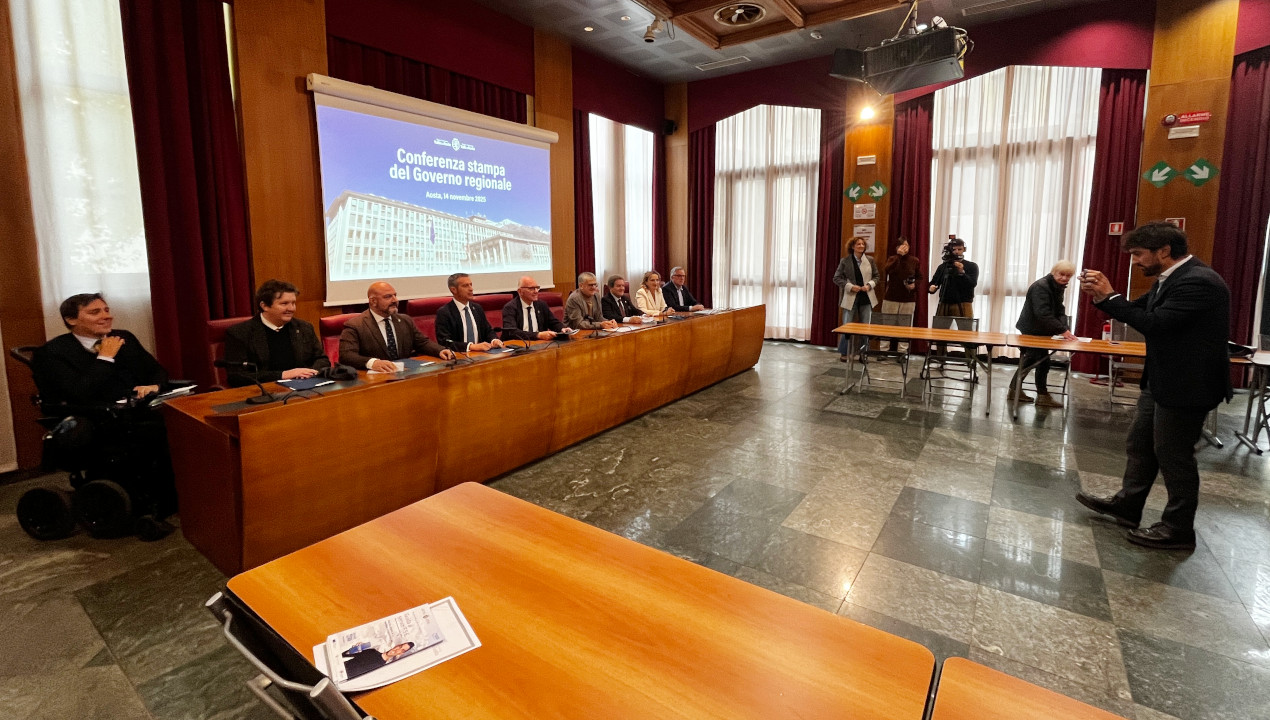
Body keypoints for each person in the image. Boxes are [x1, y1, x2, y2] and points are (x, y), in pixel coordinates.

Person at [1076, 221, 1231, 550]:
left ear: (1164, 251)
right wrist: (1106, 298)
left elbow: (1156, 325)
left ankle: (1178, 529)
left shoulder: (1198, 282)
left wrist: (1110, 296)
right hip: (1162, 381)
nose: (1135, 261)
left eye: (1138, 254)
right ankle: (1128, 505)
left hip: (1188, 386)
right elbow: (1135, 311)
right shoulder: (1169, 280)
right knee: (1140, 445)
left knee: (1174, 456)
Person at [33, 293, 169, 406]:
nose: (107, 316)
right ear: (71, 320)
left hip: (139, 408)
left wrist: (155, 386)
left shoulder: (124, 337)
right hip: (97, 418)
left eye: (106, 310)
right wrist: (104, 358)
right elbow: (78, 394)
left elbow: (156, 371)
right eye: (95, 312)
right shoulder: (51, 352)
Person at [225, 279, 330, 388]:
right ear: (264, 306)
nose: (291, 308)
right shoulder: (239, 333)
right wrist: (283, 375)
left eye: (293, 303)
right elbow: (236, 376)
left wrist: (311, 372)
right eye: (284, 303)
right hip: (263, 391)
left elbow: (322, 359)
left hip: (305, 386)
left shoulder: (304, 328)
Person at [339, 282, 454, 370]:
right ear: (373, 301)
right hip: (376, 380)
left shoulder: (404, 320)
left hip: (405, 374)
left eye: (395, 295)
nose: (395, 300)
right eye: (388, 297)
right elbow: (347, 355)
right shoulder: (355, 325)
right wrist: (373, 363)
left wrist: (440, 350)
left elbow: (422, 343)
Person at [1013, 261, 1078, 408]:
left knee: (1033, 360)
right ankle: (1042, 395)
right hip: (1032, 329)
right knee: (1042, 361)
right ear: (1054, 272)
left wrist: (1064, 328)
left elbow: (1060, 310)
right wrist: (1062, 330)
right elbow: (1042, 314)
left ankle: (1014, 391)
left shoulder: (1057, 286)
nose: (1065, 278)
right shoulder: (1041, 287)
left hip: (1041, 329)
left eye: (1068, 276)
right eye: (1062, 274)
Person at [927, 236, 979, 360]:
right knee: (939, 333)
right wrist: (932, 287)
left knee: (967, 334)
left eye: (959, 249)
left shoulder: (971, 266)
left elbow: (972, 283)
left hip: (963, 303)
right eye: (954, 249)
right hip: (944, 302)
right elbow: (933, 283)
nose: (956, 252)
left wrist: (962, 272)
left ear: (964, 249)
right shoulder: (943, 266)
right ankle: (940, 359)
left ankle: (970, 362)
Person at [832, 236, 877, 361]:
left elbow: (876, 276)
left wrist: (869, 285)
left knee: (865, 326)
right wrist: (850, 286)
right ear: (852, 247)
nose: (861, 246)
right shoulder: (845, 261)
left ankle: (864, 353)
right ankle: (844, 353)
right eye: (858, 244)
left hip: (866, 297)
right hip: (850, 297)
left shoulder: (870, 260)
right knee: (847, 326)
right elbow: (836, 278)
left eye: (863, 244)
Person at [435, 272, 504, 353]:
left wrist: (494, 340)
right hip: (460, 356)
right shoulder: (444, 313)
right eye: (465, 286)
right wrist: (471, 346)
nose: (471, 289)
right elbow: (445, 342)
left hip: (482, 355)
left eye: (471, 285)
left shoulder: (477, 308)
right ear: (453, 290)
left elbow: (488, 331)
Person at [880, 238, 920, 353]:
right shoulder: (892, 259)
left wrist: (914, 285)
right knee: (886, 324)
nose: (905, 247)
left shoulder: (914, 260)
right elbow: (887, 270)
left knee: (905, 325)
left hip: (908, 298)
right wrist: (898, 257)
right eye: (902, 245)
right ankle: (883, 350)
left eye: (906, 245)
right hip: (891, 297)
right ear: (897, 248)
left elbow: (919, 277)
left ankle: (902, 352)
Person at [501, 275, 564, 341]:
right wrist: (537, 335)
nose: (536, 291)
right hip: (518, 345)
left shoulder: (541, 305)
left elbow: (553, 323)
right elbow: (512, 332)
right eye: (531, 288)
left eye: (537, 288)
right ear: (520, 291)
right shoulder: (510, 308)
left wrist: (562, 329)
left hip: (539, 344)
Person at [340, 641, 415, 679]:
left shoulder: (381, 669)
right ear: (397, 645)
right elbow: (344, 655)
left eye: (402, 650)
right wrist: (353, 649)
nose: (397, 649)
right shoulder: (372, 651)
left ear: (401, 654)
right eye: (400, 646)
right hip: (339, 669)